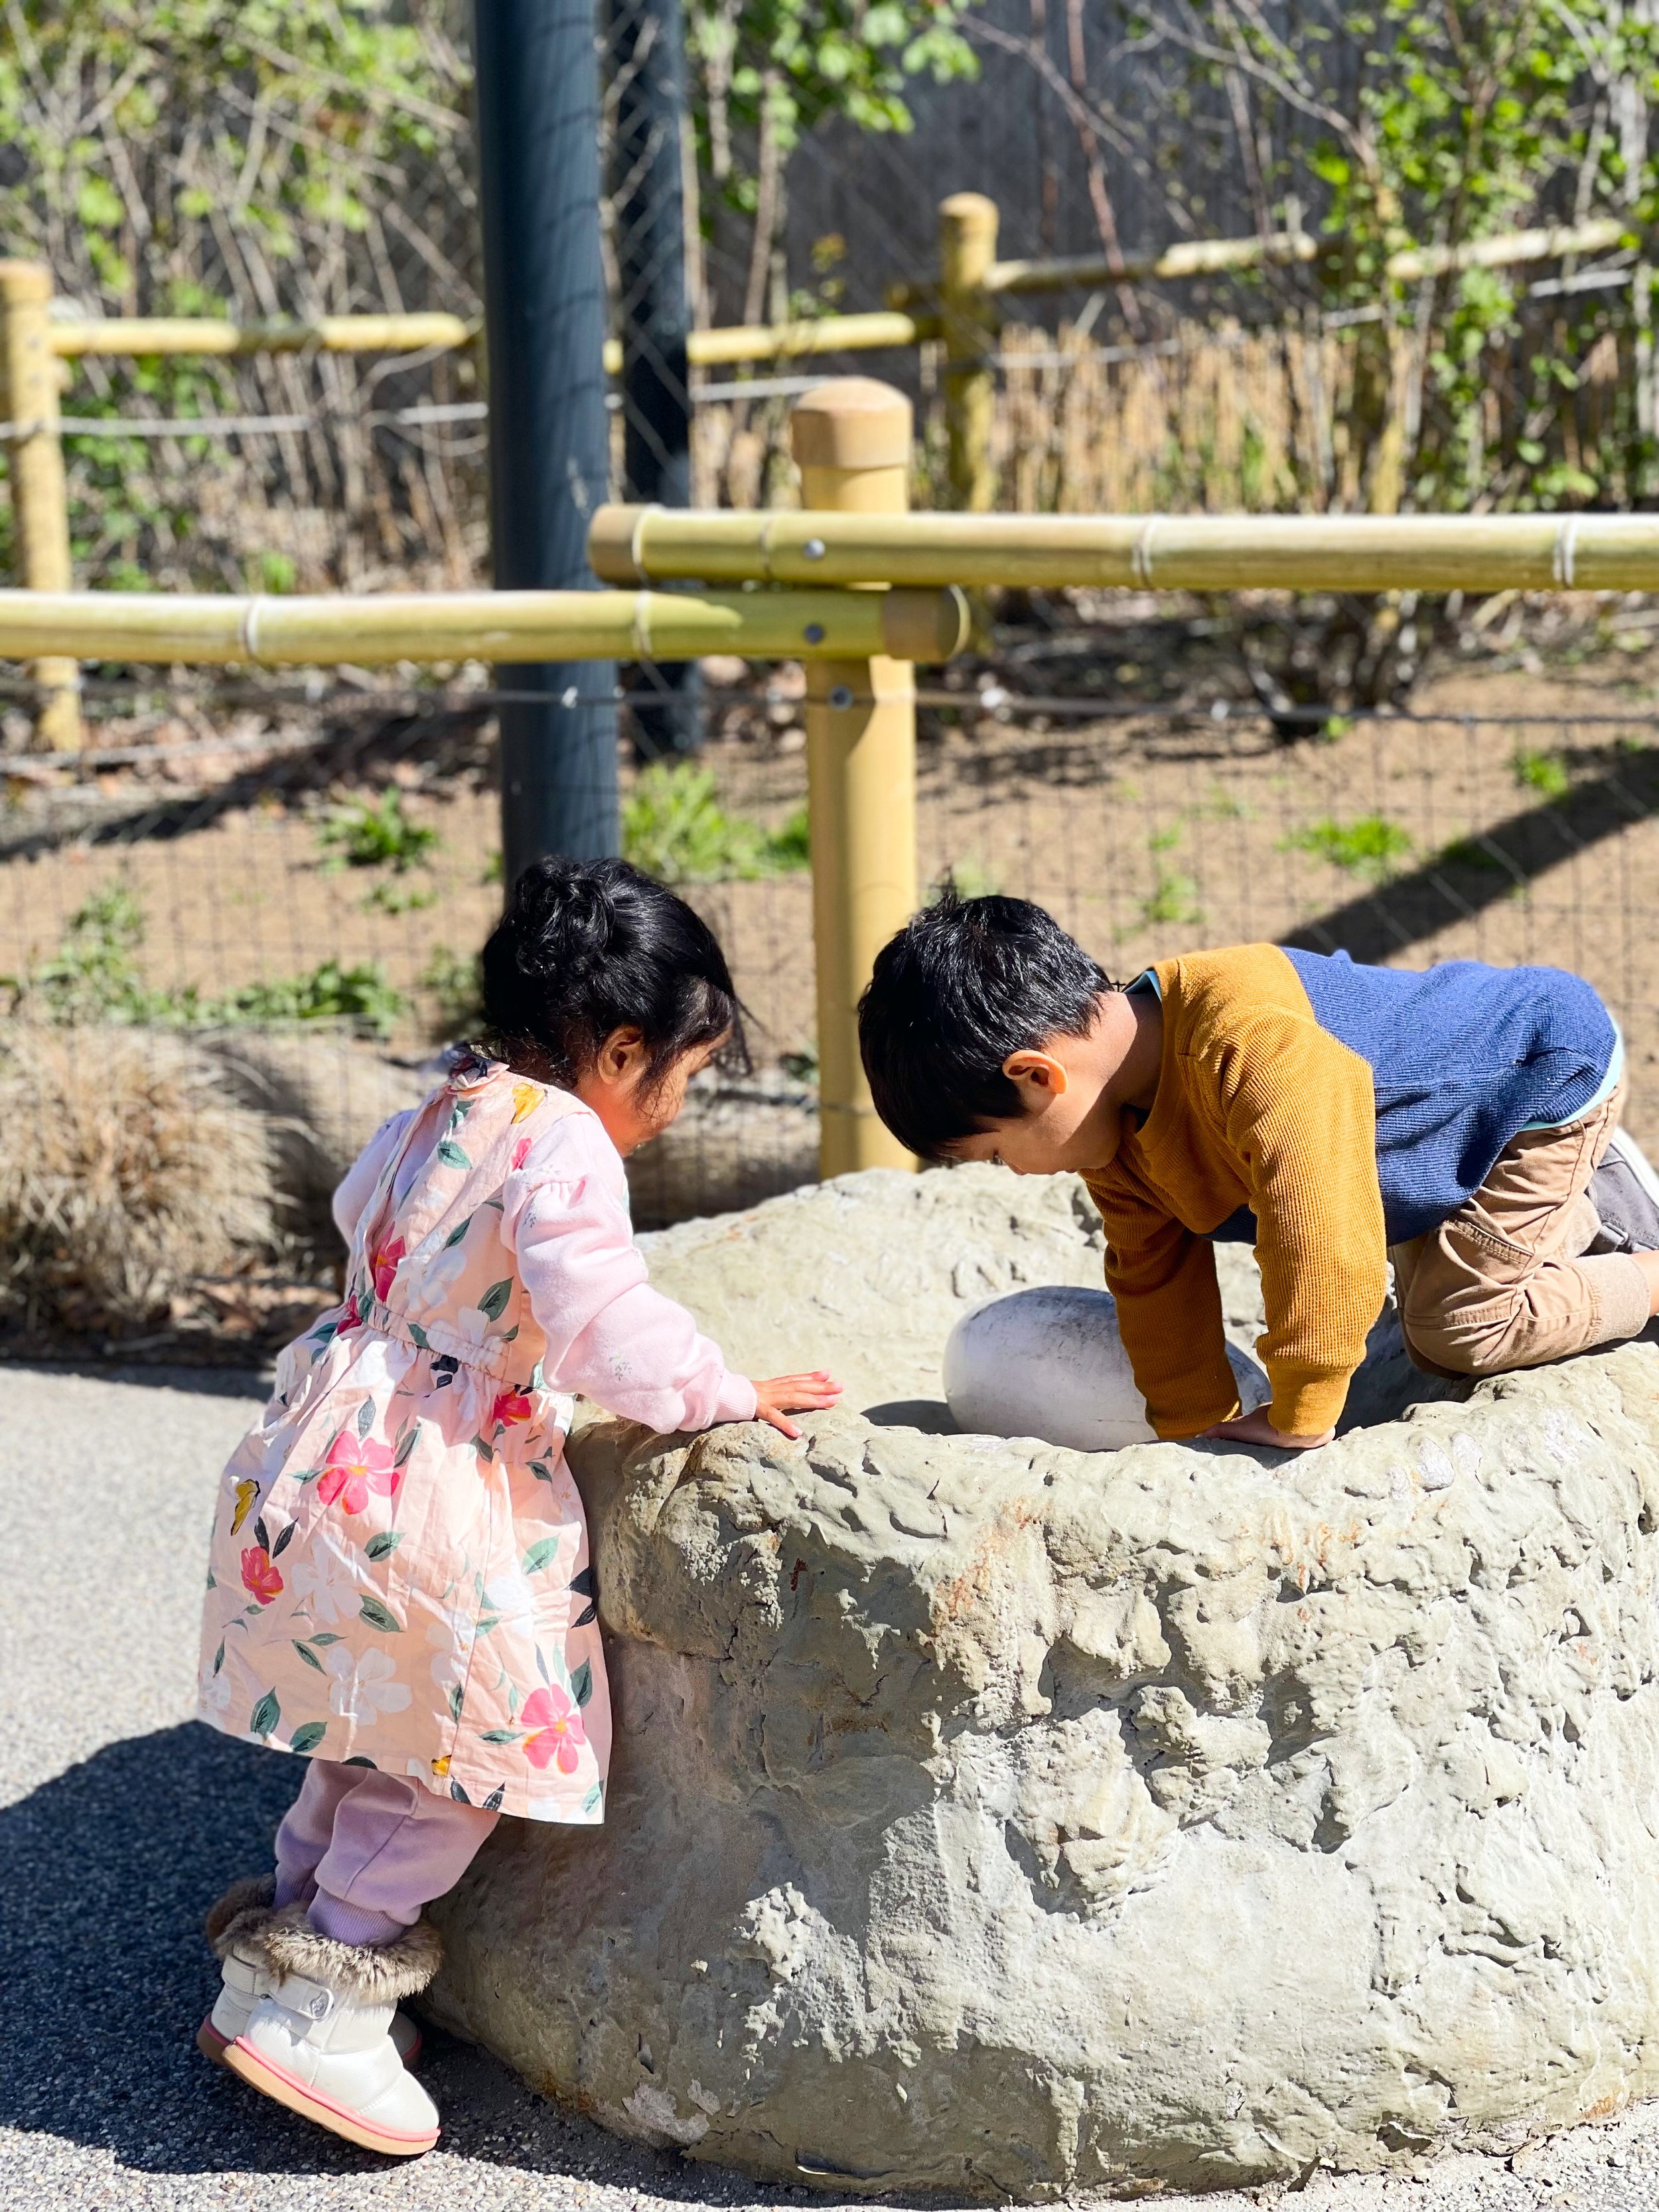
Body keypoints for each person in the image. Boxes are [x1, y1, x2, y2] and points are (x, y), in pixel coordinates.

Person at [195, 857, 840, 2158]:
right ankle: (326, 1998)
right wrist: (714, 1388)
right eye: (685, 1072)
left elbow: (358, 1218)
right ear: (617, 1048)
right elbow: (599, 1316)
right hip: (440, 1481)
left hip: (331, 1443)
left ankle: (271, 1958)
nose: (675, 1104)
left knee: (368, 1717)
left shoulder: (443, 1100)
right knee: (460, 1742)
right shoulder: (561, 1139)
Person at [858, 891, 1659, 1453]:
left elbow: (1323, 1238)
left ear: (1037, 1077)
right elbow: (1151, 1273)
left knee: (1456, 1331)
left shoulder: (1248, 1048)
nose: (1012, 1172)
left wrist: (1303, 1409)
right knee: (1411, 1276)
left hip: (1528, 1081)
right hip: (1404, 1145)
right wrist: (1193, 1424)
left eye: (996, 1153)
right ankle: (1484, 1220)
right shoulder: (1114, 1125)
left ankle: (1628, 1247)